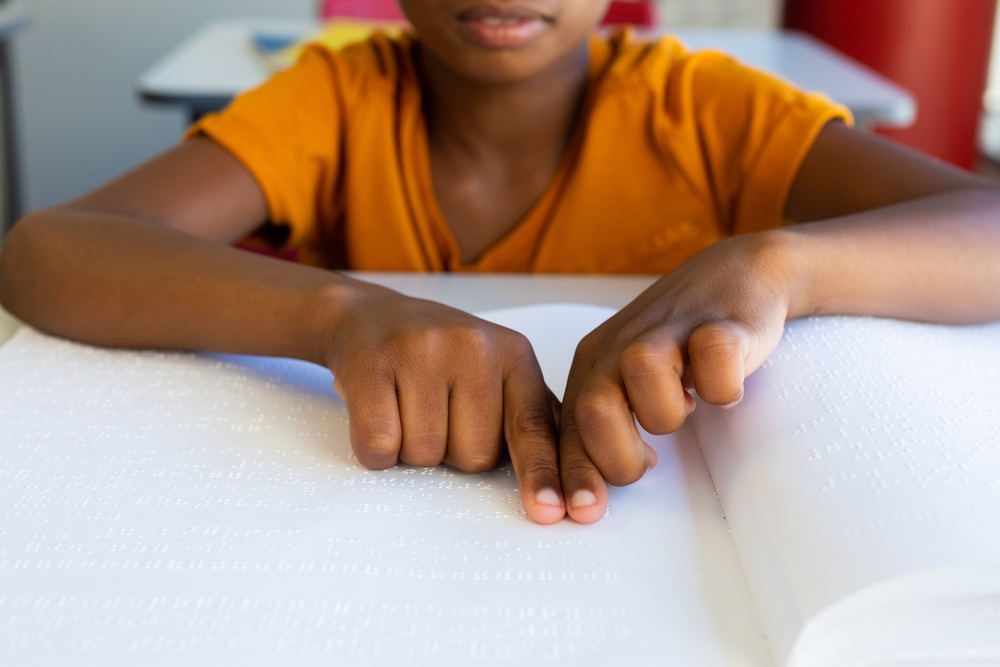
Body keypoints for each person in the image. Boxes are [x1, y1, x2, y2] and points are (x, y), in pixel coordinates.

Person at [1, 0, 999, 527]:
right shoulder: (339, 97)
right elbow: (49, 249)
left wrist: (776, 265)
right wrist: (337, 314)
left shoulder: (702, 107)